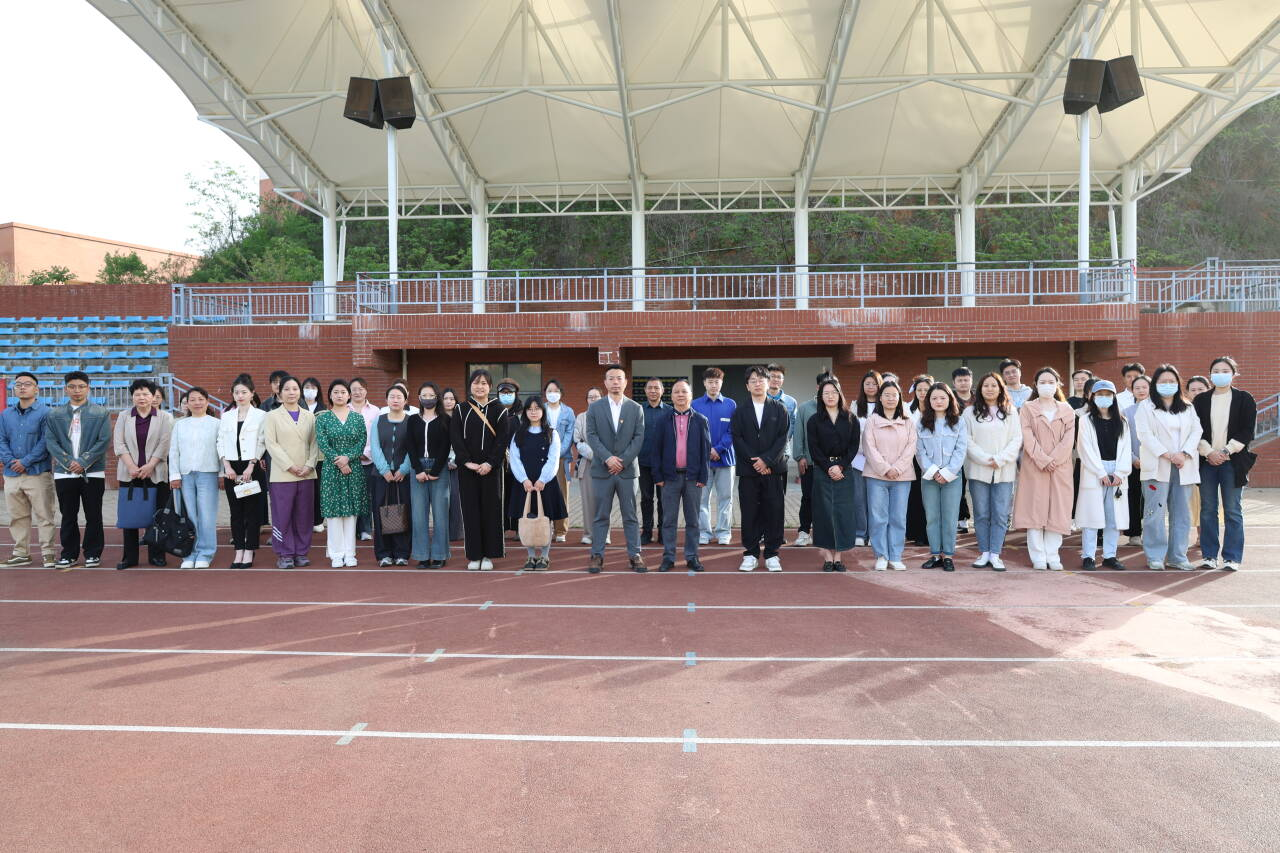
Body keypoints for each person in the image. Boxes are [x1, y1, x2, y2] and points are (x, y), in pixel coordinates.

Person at [1134, 364, 1203, 571]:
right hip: (1158, 466)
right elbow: (1145, 435)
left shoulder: (1187, 407)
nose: (1167, 385)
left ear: (1178, 383)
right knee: (1154, 512)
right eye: (1163, 381)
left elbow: (1197, 431)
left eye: (1171, 381)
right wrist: (1168, 454)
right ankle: (1155, 555)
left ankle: (1177, 556)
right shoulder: (1145, 407)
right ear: (1155, 384)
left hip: (1183, 465)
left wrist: (1184, 453)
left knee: (1182, 513)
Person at [1193, 356, 1255, 572]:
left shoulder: (1244, 399)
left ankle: (1232, 557)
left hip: (1233, 462)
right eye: (1216, 371)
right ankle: (1209, 555)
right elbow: (1195, 430)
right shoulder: (1201, 400)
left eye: (1225, 370)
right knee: (1208, 510)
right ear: (1210, 375)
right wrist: (1209, 452)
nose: (1220, 374)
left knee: (1232, 510)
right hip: (1207, 462)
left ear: (1234, 374)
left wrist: (1226, 450)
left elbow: (1248, 431)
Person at [44, 371, 111, 570]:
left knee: (94, 514)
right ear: (66, 389)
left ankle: (93, 553)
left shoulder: (101, 413)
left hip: (93, 472)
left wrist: (83, 461)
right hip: (64, 473)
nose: (77, 390)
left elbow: (103, 441)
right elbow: (51, 442)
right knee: (68, 515)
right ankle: (68, 554)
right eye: (72, 386)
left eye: (81, 386)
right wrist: (68, 462)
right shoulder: (54, 414)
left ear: (88, 388)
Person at [585, 364, 646, 573]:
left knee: (630, 515)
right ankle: (597, 555)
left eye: (619, 378)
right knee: (601, 515)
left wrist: (622, 460)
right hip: (602, 470)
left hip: (627, 471)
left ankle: (635, 555)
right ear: (605, 382)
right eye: (611, 378)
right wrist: (608, 458)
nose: (615, 382)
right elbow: (591, 435)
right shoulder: (595, 408)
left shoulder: (635, 408)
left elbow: (638, 438)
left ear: (625, 382)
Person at [1013, 368, 1075, 570]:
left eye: (1051, 382)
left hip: (1060, 467)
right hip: (1035, 466)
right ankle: (1038, 556)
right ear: (1036, 385)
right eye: (1042, 382)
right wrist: (1042, 459)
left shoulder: (1067, 409)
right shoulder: (1028, 408)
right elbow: (1027, 436)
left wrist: (1054, 459)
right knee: (1034, 510)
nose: (1047, 385)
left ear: (1057, 385)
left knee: (1057, 511)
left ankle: (1053, 555)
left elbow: (1069, 439)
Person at [451, 369, 512, 570]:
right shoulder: (461, 409)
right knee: (471, 511)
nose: (480, 387)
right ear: (470, 386)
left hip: (492, 470)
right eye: (476, 383)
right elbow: (455, 438)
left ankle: (489, 555)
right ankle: (474, 555)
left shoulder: (500, 410)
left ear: (490, 387)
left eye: (484, 383)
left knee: (491, 511)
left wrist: (490, 463)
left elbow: (502, 440)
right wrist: (466, 461)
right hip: (467, 470)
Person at [730, 365, 789, 572]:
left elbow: (782, 438)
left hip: (773, 470)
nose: (757, 383)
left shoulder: (779, 409)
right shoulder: (740, 411)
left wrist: (767, 461)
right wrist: (756, 462)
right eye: (753, 380)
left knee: (774, 511)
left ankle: (772, 554)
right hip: (749, 471)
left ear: (768, 382)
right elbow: (737, 438)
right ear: (747, 386)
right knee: (750, 512)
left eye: (761, 380)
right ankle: (751, 553)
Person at [651, 379, 711, 572]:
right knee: (669, 520)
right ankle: (668, 557)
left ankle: (692, 557)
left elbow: (705, 451)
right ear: (671, 396)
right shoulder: (663, 420)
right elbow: (656, 451)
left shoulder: (701, 420)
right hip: (670, 478)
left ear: (691, 395)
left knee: (693, 521)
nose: (680, 395)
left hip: (693, 478)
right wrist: (658, 476)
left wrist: (703, 477)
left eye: (684, 391)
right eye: (676, 392)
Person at [962, 373, 1021, 571]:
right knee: (981, 514)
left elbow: (1016, 439)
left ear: (1000, 388)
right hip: (978, 470)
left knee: (1001, 514)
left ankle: (995, 553)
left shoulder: (1011, 411)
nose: (989, 389)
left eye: (994, 385)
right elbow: (966, 440)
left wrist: (1000, 459)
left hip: (1004, 470)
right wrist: (985, 459)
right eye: (985, 385)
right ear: (980, 389)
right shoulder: (969, 412)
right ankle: (984, 552)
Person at [113, 379, 174, 570]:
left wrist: (150, 465)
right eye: (137, 394)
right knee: (129, 516)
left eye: (146, 394)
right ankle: (130, 558)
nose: (142, 397)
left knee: (157, 517)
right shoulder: (124, 416)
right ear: (132, 396)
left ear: (153, 396)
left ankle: (157, 555)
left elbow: (165, 443)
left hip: (156, 473)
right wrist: (132, 466)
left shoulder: (164, 417)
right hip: (129, 474)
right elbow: (119, 444)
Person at [263, 376, 319, 569]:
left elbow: (315, 443)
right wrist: (290, 466)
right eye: (287, 389)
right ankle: (285, 553)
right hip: (283, 474)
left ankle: (301, 552)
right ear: (279, 393)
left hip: (306, 473)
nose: (291, 392)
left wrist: (309, 465)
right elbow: (271, 444)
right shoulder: (271, 416)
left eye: (295, 388)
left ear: (300, 392)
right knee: (283, 515)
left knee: (304, 515)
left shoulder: (309, 416)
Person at [1, 372, 56, 568]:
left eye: (27, 384)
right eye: (18, 384)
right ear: (14, 389)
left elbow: (45, 442)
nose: (22, 387)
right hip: (12, 474)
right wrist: (10, 461)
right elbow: (2, 440)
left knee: (44, 515)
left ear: (36, 389)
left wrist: (25, 461)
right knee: (17, 516)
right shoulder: (5, 414)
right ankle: (21, 553)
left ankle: (48, 553)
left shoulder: (47, 413)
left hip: (37, 473)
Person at [314, 379, 369, 568]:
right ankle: (336, 554)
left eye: (343, 392)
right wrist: (339, 461)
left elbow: (361, 441)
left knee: (351, 513)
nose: (339, 395)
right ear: (330, 395)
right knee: (334, 514)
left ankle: (350, 553)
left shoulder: (357, 418)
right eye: (336, 392)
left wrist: (348, 458)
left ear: (349, 395)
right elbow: (322, 443)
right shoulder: (323, 418)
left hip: (353, 469)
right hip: (332, 470)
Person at [1075, 380, 1129, 571]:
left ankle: (1110, 555)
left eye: (1108, 395)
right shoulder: (1085, 420)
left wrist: (1120, 472)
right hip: (1094, 471)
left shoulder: (1122, 421)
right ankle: (1088, 556)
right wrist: (1100, 472)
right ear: (1092, 397)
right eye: (1100, 395)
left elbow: (1126, 449)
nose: (1104, 398)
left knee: (1113, 518)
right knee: (1092, 517)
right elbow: (1085, 449)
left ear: (1114, 397)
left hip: (1117, 471)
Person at [509, 395, 568, 570]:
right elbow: (514, 458)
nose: (533, 412)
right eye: (530, 409)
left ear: (543, 411)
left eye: (537, 408)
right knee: (528, 517)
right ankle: (530, 556)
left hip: (545, 483)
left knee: (545, 519)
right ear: (525, 412)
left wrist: (543, 479)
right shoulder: (518, 434)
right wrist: (524, 479)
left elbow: (553, 459)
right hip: (525, 484)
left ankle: (544, 556)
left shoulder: (551, 433)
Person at [807, 377, 859, 572]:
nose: (830, 396)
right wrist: (828, 467)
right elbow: (814, 449)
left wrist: (841, 466)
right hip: (822, 470)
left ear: (840, 394)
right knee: (824, 513)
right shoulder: (814, 420)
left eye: (833, 392)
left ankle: (838, 557)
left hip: (845, 471)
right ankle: (828, 557)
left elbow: (854, 446)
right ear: (820, 396)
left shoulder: (851, 418)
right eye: (826, 393)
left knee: (842, 514)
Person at [863, 381, 917, 571]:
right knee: (878, 517)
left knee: (898, 517)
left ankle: (895, 556)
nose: (891, 398)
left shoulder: (908, 421)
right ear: (880, 398)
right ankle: (881, 555)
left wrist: (897, 468)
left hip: (902, 477)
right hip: (876, 476)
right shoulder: (872, 420)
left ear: (899, 398)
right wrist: (885, 468)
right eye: (887, 395)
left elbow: (911, 447)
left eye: (894, 395)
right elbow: (869, 447)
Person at [916, 382, 969, 571]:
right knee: (932, 517)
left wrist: (947, 472)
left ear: (949, 399)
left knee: (950, 517)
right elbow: (919, 451)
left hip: (952, 477)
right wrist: (932, 471)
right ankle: (935, 554)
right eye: (934, 398)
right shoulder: (921, 423)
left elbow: (961, 450)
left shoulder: (959, 422)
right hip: (929, 477)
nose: (938, 401)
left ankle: (948, 555)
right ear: (929, 401)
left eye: (942, 398)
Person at [218, 374, 267, 569]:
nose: (240, 396)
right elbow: (220, 441)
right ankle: (238, 549)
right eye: (236, 392)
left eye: (244, 392)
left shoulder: (261, 415)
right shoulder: (226, 416)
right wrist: (227, 466)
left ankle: (249, 549)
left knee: (252, 512)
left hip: (251, 468)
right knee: (236, 512)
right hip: (232, 469)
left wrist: (251, 465)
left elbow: (262, 441)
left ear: (252, 393)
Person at [168, 386, 220, 569]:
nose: (197, 403)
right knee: (189, 516)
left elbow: (221, 449)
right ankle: (189, 553)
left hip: (208, 473)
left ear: (207, 402)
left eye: (201, 399)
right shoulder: (180, 425)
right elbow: (174, 451)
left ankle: (205, 552)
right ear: (187, 404)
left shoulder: (216, 424)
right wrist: (174, 475)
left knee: (206, 515)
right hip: (185, 475)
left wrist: (222, 473)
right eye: (192, 400)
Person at [407, 382, 450, 568]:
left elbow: (446, 446)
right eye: (424, 395)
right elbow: (410, 445)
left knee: (440, 515)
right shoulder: (413, 420)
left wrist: (435, 470)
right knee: (419, 515)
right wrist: (418, 470)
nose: (427, 398)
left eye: (431, 395)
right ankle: (422, 555)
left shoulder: (445, 420)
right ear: (419, 398)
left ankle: (440, 555)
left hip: (439, 469)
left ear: (437, 397)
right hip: (417, 469)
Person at [692, 367, 736, 546]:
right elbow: (693, 432)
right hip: (702, 461)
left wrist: (718, 449)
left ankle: (724, 532)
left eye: (717, 382)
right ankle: (704, 532)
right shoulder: (695, 405)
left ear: (721, 383)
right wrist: (708, 450)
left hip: (726, 460)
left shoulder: (731, 404)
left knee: (726, 498)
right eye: (710, 382)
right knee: (702, 499)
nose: (713, 385)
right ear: (704, 383)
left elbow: (733, 431)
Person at [371, 385, 414, 566]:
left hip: (404, 477)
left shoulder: (412, 421)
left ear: (405, 400)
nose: (395, 400)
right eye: (392, 396)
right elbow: (375, 447)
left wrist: (403, 469)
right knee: (381, 513)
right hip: (381, 477)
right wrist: (385, 470)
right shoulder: (378, 421)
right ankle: (384, 554)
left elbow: (413, 448)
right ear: (386, 400)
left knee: (403, 513)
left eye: (399, 397)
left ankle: (402, 553)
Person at [790, 371, 832, 548]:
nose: (829, 390)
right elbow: (798, 433)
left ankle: (825, 533)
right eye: (824, 385)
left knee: (828, 500)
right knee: (808, 498)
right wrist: (800, 456)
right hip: (810, 463)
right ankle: (804, 532)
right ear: (818, 387)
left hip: (831, 464)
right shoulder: (805, 408)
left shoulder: (838, 408)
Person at [766, 363, 798, 546]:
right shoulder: (759, 398)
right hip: (762, 456)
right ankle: (762, 532)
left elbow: (792, 427)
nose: (775, 380)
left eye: (779, 377)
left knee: (778, 497)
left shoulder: (791, 402)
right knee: (762, 498)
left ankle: (777, 534)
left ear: (783, 380)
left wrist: (779, 445)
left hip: (782, 455)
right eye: (772, 376)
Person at [573, 388, 608, 546]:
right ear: (586, 399)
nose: (593, 399)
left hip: (607, 463)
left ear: (602, 398)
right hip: (587, 463)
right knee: (588, 500)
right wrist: (594, 454)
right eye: (590, 397)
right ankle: (588, 533)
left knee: (605, 500)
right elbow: (577, 440)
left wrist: (604, 456)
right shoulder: (581, 417)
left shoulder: (608, 415)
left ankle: (605, 534)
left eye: (597, 396)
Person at [542, 379, 576, 543]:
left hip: (562, 459)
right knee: (543, 493)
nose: (552, 394)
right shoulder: (540, 409)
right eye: (549, 391)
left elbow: (570, 434)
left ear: (561, 393)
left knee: (562, 494)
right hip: (542, 458)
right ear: (545, 393)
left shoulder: (568, 412)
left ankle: (560, 530)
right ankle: (544, 528)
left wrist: (557, 452)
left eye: (556, 391)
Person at [850, 370, 881, 547]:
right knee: (859, 498)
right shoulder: (855, 406)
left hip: (880, 460)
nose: (871, 387)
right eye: (867, 383)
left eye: (874, 384)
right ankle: (860, 533)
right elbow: (852, 432)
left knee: (876, 499)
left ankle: (875, 534)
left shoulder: (884, 405)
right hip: (858, 459)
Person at [637, 377, 669, 545]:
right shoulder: (639, 410)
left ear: (662, 391)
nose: (653, 391)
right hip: (644, 462)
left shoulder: (670, 411)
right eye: (650, 388)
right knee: (646, 499)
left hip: (664, 465)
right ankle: (647, 531)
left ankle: (663, 532)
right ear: (645, 390)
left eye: (657, 388)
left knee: (664, 500)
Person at [349, 377, 381, 542]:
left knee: (367, 496)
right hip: (348, 461)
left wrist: (366, 453)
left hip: (369, 460)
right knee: (351, 495)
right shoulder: (344, 409)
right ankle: (351, 529)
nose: (357, 392)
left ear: (366, 391)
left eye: (361, 389)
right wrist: (352, 454)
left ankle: (366, 529)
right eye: (354, 389)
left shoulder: (375, 411)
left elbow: (377, 436)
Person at [1122, 375, 1150, 547]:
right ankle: (1134, 534)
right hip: (1134, 462)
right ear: (1132, 391)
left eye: (1144, 387)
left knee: (1152, 499)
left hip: (1155, 463)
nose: (1141, 390)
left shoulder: (1158, 410)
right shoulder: (1127, 412)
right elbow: (1123, 439)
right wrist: (1133, 458)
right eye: (1137, 388)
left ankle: (1151, 532)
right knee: (1133, 497)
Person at [905, 374, 933, 547]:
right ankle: (915, 533)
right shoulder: (907, 409)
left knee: (929, 497)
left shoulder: (936, 409)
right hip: (911, 459)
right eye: (919, 390)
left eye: (926, 390)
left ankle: (928, 534)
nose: (922, 393)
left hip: (932, 459)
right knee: (914, 496)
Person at [1183, 375, 1211, 550]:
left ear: (1208, 389)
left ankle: (1206, 536)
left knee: (1207, 501)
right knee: (1193, 501)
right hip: (1188, 460)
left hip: (1209, 459)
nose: (1197, 393)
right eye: (1193, 390)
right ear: (1187, 393)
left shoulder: (1212, 408)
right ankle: (1197, 535)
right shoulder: (1184, 410)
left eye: (1201, 389)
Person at [949, 367, 975, 533]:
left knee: (977, 486)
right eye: (960, 380)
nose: (963, 383)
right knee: (959, 484)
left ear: (971, 381)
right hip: (957, 447)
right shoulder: (949, 398)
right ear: (954, 382)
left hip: (978, 446)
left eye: (966, 380)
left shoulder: (979, 399)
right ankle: (962, 518)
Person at [301, 376, 327, 532]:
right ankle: (304, 519)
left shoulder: (324, 410)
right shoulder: (297, 408)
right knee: (303, 490)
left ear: (318, 391)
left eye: (313, 388)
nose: (309, 390)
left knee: (318, 489)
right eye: (306, 387)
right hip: (301, 455)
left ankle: (317, 520)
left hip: (320, 457)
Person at [497, 378, 523, 537]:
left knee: (518, 494)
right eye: (503, 393)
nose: (506, 395)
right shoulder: (494, 411)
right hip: (499, 461)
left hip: (518, 461)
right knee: (501, 495)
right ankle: (503, 526)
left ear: (516, 394)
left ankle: (519, 528)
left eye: (509, 392)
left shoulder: (521, 414)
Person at [440, 388, 464, 542]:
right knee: (441, 499)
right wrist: (445, 460)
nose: (448, 401)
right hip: (440, 463)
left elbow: (464, 442)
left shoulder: (461, 418)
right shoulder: (437, 418)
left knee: (456, 498)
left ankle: (456, 532)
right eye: (445, 398)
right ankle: (442, 532)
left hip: (458, 463)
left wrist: (455, 459)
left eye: (451, 399)